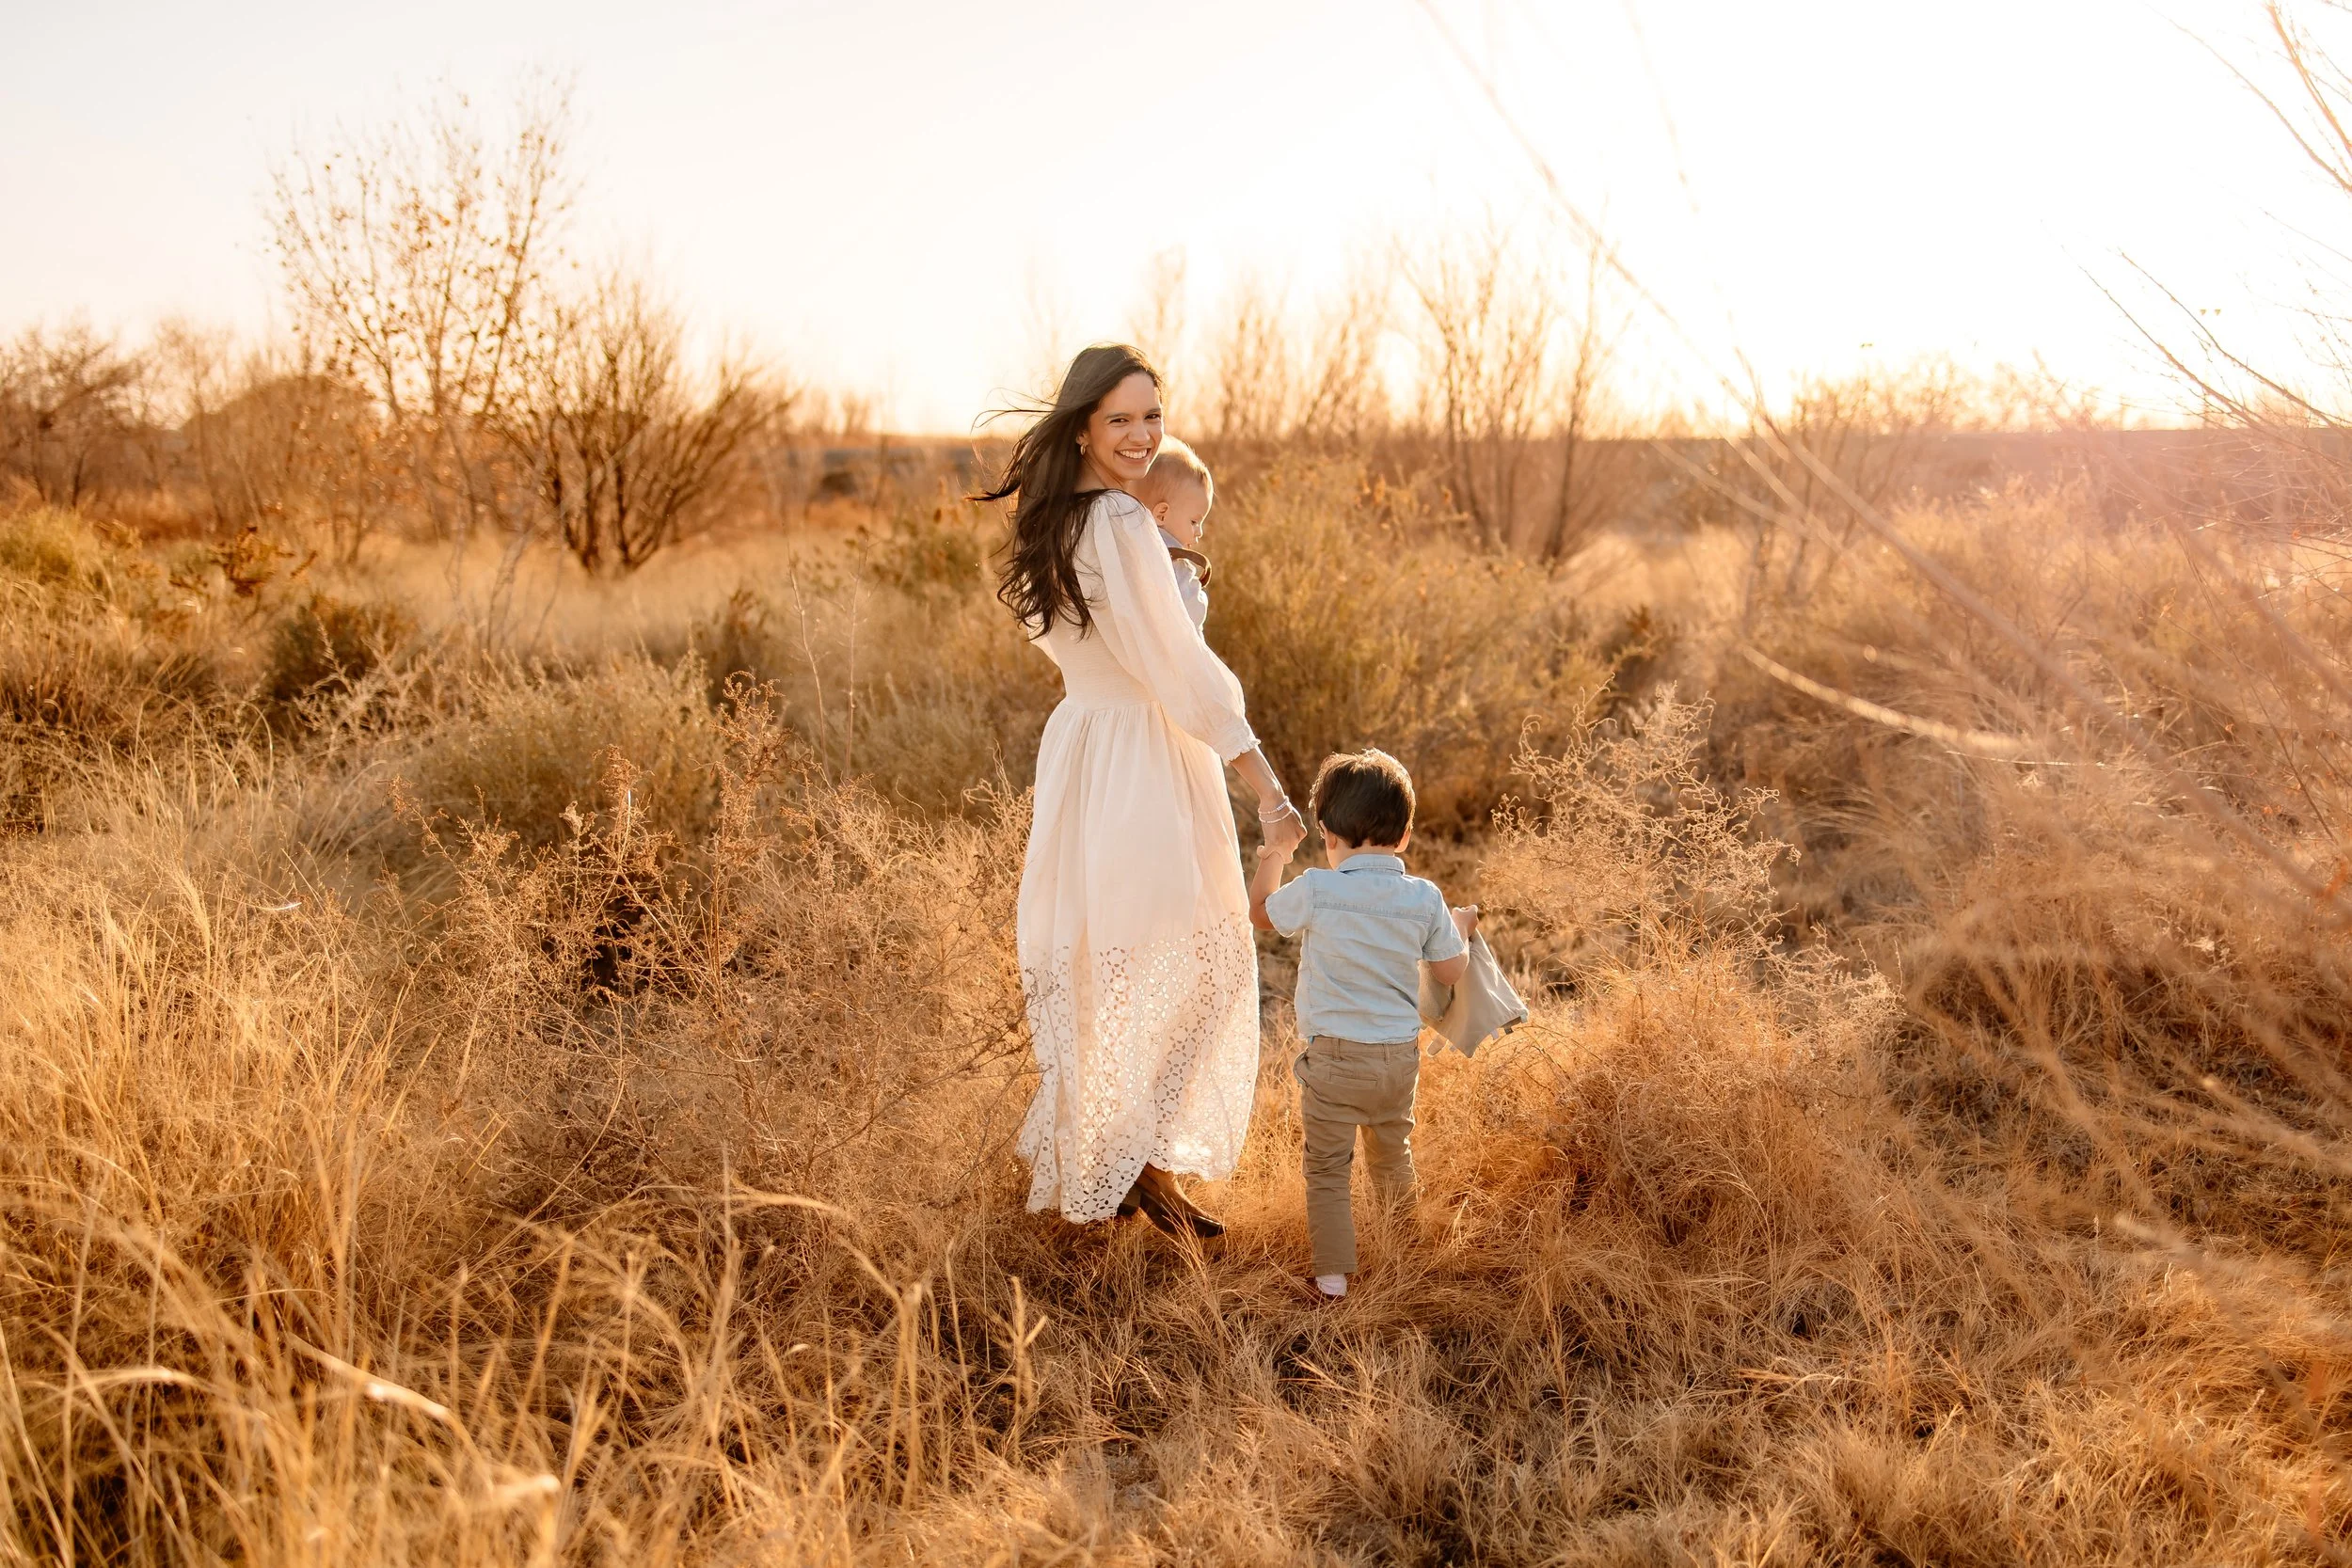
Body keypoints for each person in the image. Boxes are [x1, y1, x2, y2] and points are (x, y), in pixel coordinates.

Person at [977, 343, 1308, 1237]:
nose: (1140, 434)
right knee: (1194, 960)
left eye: (1151, 416)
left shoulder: (1062, 520)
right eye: (1119, 418)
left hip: (1089, 749)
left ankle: (1137, 1167)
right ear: (1082, 424)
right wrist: (1269, 796)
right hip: (1143, 757)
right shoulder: (1120, 525)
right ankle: (1132, 1164)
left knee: (1119, 962)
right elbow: (1183, 673)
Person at [1248, 749, 1476, 1298]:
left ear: (1327, 835)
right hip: (1398, 1058)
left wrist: (1273, 856)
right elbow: (1449, 968)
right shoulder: (1425, 897)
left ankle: (1333, 1277)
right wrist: (1461, 928)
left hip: (1333, 1059)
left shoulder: (1319, 889)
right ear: (1404, 838)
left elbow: (1260, 915)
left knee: (1328, 1168)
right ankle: (1403, 1252)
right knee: (1392, 1154)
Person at [1132, 436, 1215, 630]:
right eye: (1194, 521)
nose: (1199, 532)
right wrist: (1200, 595)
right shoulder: (1174, 559)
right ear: (1162, 514)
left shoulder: (1134, 544)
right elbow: (1192, 612)